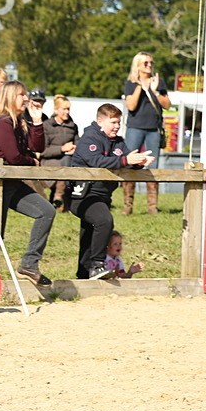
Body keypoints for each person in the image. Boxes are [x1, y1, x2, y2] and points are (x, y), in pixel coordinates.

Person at [67, 103, 154, 279]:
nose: (117, 126)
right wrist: (126, 160)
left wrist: (139, 162)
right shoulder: (88, 139)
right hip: (83, 196)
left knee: (89, 234)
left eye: (119, 122)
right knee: (104, 221)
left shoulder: (119, 142)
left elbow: (126, 160)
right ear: (100, 121)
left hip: (103, 196)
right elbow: (97, 161)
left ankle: (84, 274)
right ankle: (98, 265)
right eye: (113, 122)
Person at [0, 80, 56, 286]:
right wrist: (31, 161)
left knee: (46, 211)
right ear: (9, 97)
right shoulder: (3, 122)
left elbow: (37, 146)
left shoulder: (19, 121)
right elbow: (15, 157)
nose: (26, 98)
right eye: (21, 95)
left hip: (12, 183)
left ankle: (29, 264)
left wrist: (36, 121)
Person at [122, 52, 169, 215]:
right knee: (130, 163)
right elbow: (131, 106)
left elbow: (167, 104)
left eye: (151, 62)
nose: (149, 65)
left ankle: (152, 206)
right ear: (137, 65)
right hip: (135, 128)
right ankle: (128, 205)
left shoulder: (158, 82)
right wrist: (141, 88)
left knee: (153, 166)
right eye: (145, 63)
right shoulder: (130, 83)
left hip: (153, 129)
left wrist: (155, 91)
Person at [41, 93, 79, 210]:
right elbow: (43, 151)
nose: (66, 112)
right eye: (64, 109)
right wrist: (62, 149)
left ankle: (59, 197)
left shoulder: (73, 126)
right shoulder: (46, 126)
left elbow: (78, 143)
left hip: (68, 160)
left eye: (68, 109)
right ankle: (59, 197)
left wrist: (75, 149)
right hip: (49, 160)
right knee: (63, 165)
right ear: (56, 110)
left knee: (67, 161)